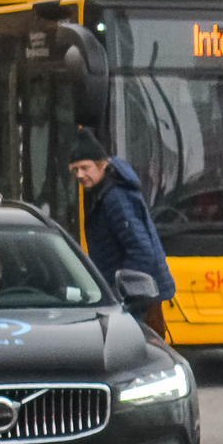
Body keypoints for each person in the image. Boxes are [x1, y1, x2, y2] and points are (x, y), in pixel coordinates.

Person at [68, 130, 175, 339]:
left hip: (138, 301)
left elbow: (141, 251)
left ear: (102, 165)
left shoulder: (114, 198)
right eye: (74, 170)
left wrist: (124, 296)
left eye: (85, 167)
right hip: (139, 297)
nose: (79, 175)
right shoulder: (106, 192)